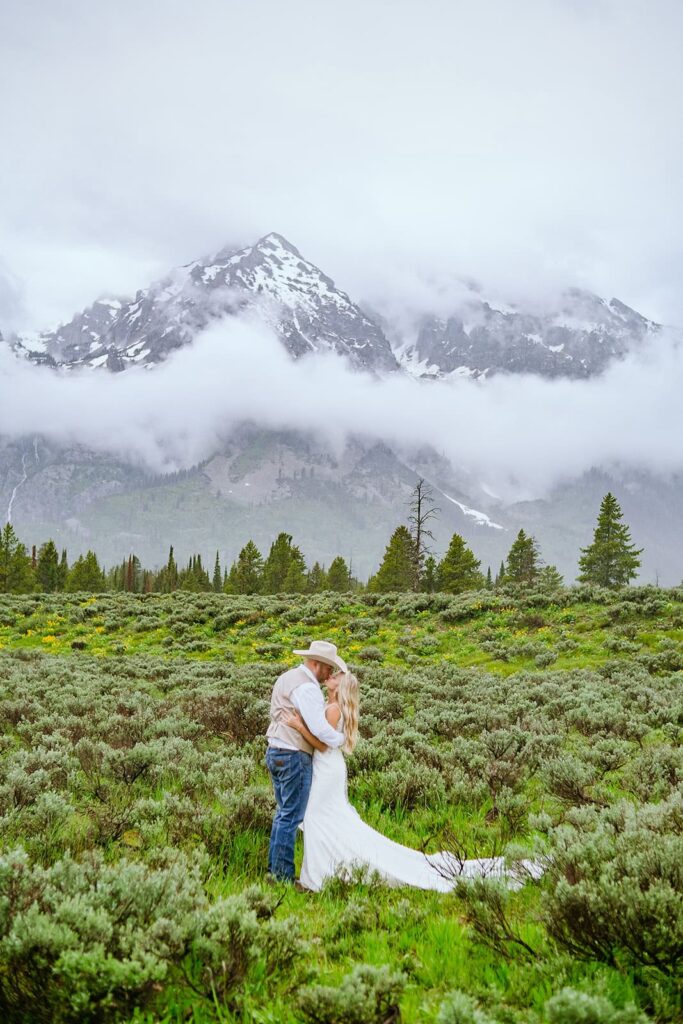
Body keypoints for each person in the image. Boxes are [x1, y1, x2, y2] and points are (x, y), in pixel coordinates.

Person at [285, 669, 546, 892]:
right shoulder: (335, 707)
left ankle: (316, 877)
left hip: (326, 768)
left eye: (337, 675)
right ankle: (323, 870)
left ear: (341, 685)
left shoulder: (332, 709)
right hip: (331, 769)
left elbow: (321, 745)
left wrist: (298, 727)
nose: (331, 675)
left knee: (319, 817)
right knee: (327, 819)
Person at [265, 639, 348, 884]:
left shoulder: (287, 677)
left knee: (283, 813)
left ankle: (275, 870)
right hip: (293, 755)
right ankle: (281, 876)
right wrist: (342, 738)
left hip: (276, 750)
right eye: (328, 667)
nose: (330, 673)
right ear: (316, 663)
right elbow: (321, 730)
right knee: (291, 816)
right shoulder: (308, 688)